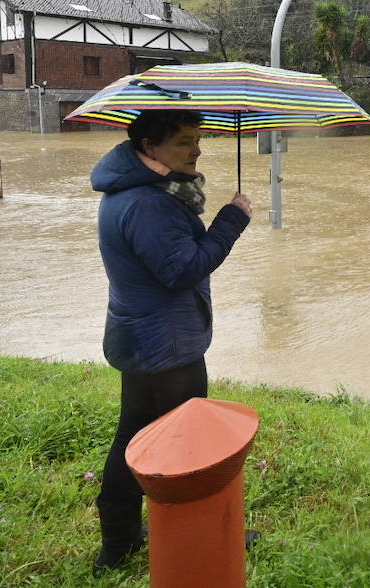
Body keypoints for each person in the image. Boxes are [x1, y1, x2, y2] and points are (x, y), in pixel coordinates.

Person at [88, 109, 252, 573]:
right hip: (168, 345)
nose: (196, 149)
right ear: (149, 146)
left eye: (198, 139)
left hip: (142, 335)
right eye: (184, 141)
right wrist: (231, 220)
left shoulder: (136, 190)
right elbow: (182, 270)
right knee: (188, 445)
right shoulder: (149, 204)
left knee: (133, 435)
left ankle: (118, 543)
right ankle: (195, 533)